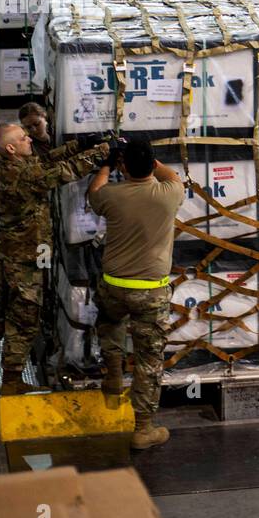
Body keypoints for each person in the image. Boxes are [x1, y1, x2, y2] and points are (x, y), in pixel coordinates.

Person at [0, 125, 109, 394]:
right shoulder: (25, 176)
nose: (29, 139)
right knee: (25, 319)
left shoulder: (7, 167)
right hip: (27, 260)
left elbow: (46, 161)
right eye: (23, 138)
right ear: (11, 148)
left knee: (2, 307)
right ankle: (12, 379)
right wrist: (104, 153)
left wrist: (81, 144)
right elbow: (66, 172)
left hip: (9, 253)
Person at [87, 136, 183, 450]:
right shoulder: (170, 194)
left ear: (123, 167)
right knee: (148, 360)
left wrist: (106, 164)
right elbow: (171, 175)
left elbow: (94, 193)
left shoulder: (112, 196)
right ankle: (143, 429)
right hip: (151, 292)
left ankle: (113, 374)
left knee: (110, 321)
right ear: (151, 164)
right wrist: (149, 159)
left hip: (114, 284)